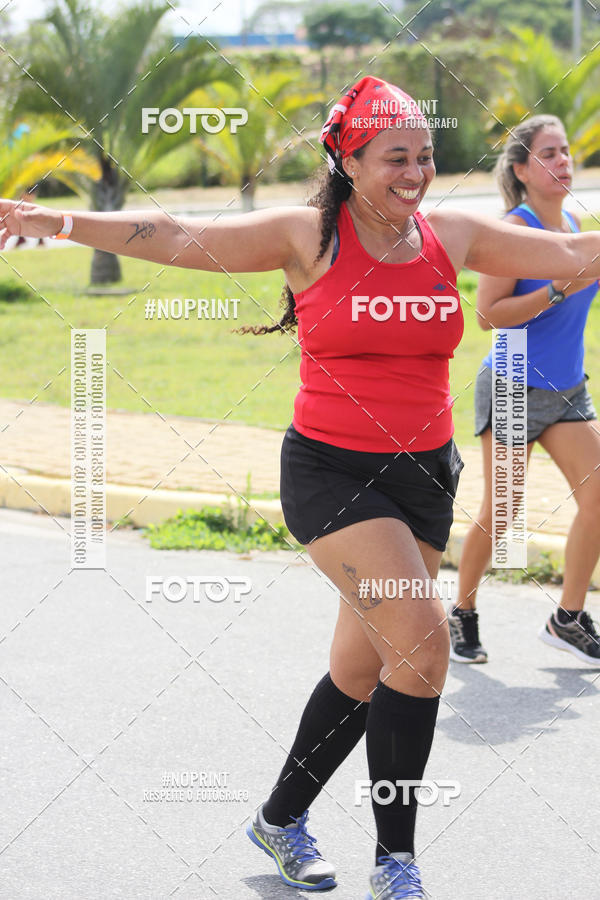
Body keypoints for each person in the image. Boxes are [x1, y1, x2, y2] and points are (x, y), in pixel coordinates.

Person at [3, 78, 600, 898]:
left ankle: (279, 820)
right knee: (423, 643)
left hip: (424, 478)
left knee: (364, 671)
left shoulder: (450, 234)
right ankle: (398, 862)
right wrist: (58, 221)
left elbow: (572, 256)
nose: (415, 173)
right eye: (395, 157)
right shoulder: (307, 235)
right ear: (347, 159)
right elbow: (177, 234)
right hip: (333, 474)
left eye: (425, 156)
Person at [450, 114, 600, 667]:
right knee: (506, 510)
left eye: (566, 151)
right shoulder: (512, 230)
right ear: (521, 169)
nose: (564, 161)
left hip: (568, 390)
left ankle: (567, 619)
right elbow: (489, 315)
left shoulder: (577, 225)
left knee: (599, 499)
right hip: (513, 384)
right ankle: (462, 612)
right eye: (550, 154)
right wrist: (559, 287)